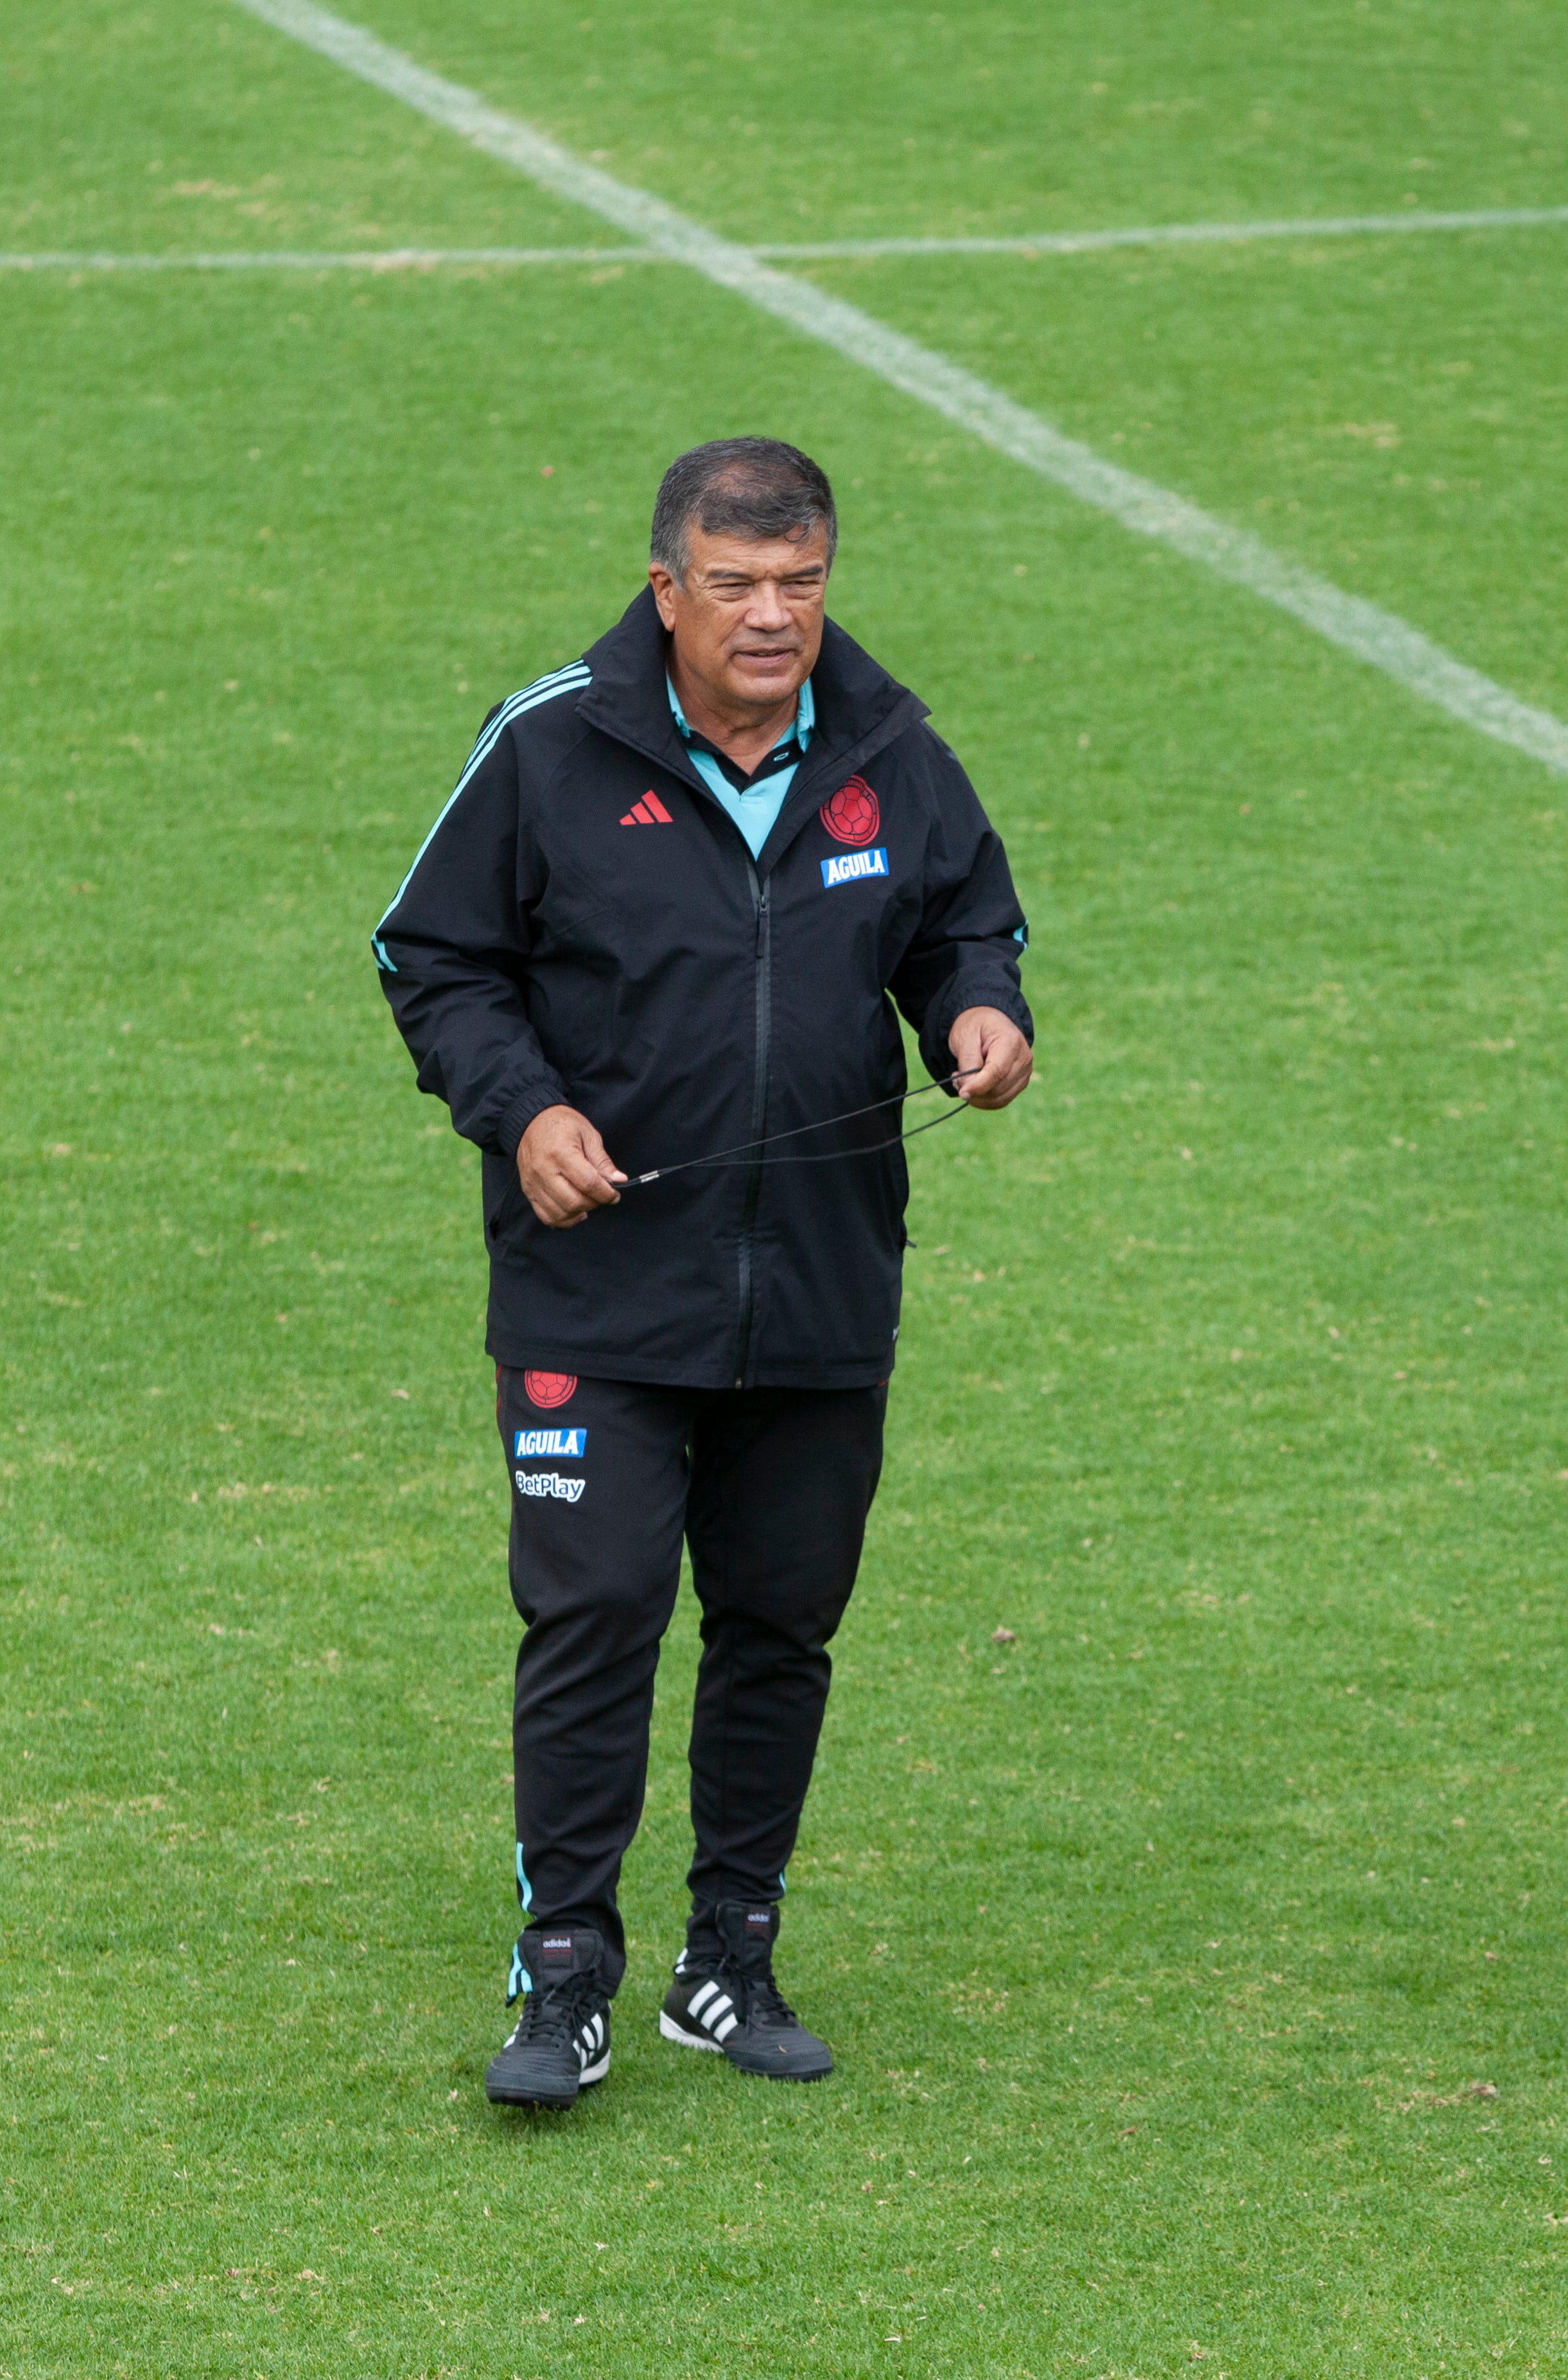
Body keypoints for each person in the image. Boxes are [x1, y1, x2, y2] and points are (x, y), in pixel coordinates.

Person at [374, 437, 1033, 2110]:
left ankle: (727, 1956)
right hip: (594, 1291)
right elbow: (431, 955)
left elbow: (964, 917)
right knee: (593, 1613)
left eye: (798, 584)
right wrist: (521, 1113)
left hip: (816, 1287)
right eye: (733, 585)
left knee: (780, 1620)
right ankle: (568, 1967)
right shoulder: (549, 748)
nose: (769, 616)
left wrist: (977, 1009)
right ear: (664, 585)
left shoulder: (888, 746)